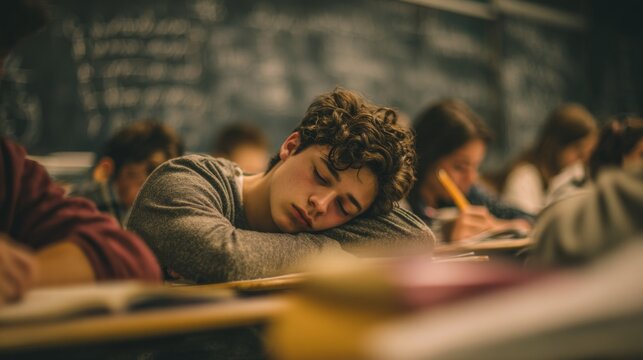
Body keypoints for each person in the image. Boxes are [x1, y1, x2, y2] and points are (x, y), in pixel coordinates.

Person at [127, 88, 434, 283]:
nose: (321, 204)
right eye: (321, 176)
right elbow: (220, 257)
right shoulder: (186, 178)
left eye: (345, 206)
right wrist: (326, 253)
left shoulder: (322, 223)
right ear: (291, 146)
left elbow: (416, 239)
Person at [0, 0, 160, 305]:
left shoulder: (10, 172)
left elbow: (134, 260)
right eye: (140, 178)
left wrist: (21, 274)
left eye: (3, 55)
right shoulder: (91, 195)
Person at [408, 99, 533, 243]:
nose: (471, 178)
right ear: (428, 157)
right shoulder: (398, 199)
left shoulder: (470, 193)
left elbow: (529, 219)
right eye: (460, 167)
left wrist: (494, 226)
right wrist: (443, 235)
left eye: (476, 167)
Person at [70, 120, 184, 226]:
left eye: (169, 175)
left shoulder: (156, 209)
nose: (160, 183)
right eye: (151, 170)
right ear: (110, 168)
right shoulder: (79, 208)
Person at [500, 104, 598, 214]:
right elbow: (523, 224)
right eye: (579, 152)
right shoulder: (524, 177)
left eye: (588, 154)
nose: (582, 162)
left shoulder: (583, 180)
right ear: (556, 146)